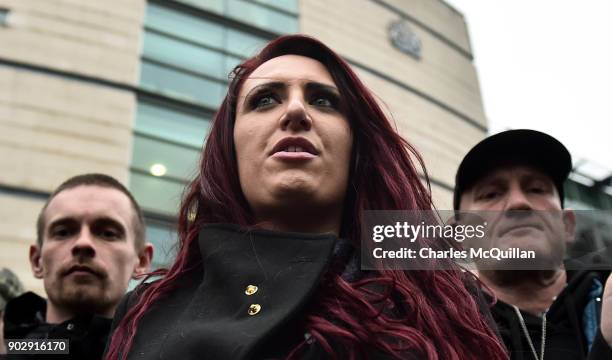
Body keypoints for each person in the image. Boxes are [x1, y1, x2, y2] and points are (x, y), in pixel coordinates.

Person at [105, 34, 508, 360]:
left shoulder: (443, 303)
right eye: (264, 100)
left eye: (323, 100)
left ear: (357, 149)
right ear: (228, 151)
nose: (296, 111)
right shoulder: (145, 312)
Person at [453, 129, 612, 359]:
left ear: (567, 225)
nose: (518, 203)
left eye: (537, 189)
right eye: (490, 194)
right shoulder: (427, 331)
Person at [1, 174, 153, 359]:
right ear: (37, 259)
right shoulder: (12, 346)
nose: (83, 243)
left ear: (142, 260)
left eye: (108, 233)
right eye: (63, 232)